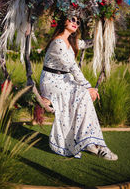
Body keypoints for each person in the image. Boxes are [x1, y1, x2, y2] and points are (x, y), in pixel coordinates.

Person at [39, 14, 118, 160]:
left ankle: (91, 142)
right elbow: (73, 67)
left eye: (78, 21)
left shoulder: (71, 41)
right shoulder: (58, 43)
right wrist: (89, 87)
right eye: (72, 19)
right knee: (84, 93)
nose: (76, 23)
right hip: (52, 81)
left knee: (83, 96)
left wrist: (103, 37)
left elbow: (85, 44)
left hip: (64, 79)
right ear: (64, 21)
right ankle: (93, 144)